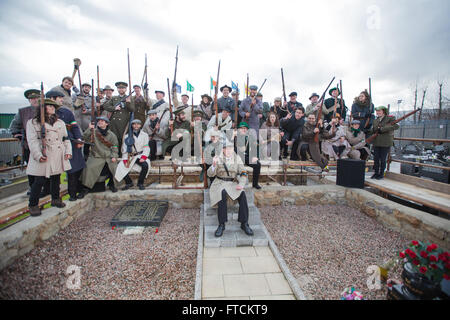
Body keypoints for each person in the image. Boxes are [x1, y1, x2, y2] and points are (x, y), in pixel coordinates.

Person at [26, 99, 72, 216]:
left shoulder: (60, 122)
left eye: (53, 106)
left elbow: (65, 139)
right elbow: (32, 141)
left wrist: (68, 151)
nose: (52, 108)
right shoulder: (33, 122)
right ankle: (33, 204)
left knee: (56, 177)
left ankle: (55, 199)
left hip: (57, 152)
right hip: (44, 153)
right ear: (42, 108)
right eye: (49, 106)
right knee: (39, 180)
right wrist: (38, 155)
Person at [46, 90, 86, 201]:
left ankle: (75, 192)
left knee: (75, 169)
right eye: (59, 98)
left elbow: (74, 126)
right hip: (54, 145)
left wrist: (78, 138)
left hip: (71, 142)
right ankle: (57, 197)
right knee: (56, 173)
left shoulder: (66, 112)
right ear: (52, 99)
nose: (62, 100)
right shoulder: (44, 113)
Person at [207, 141, 253, 238]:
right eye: (226, 148)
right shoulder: (218, 158)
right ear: (223, 149)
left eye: (230, 148)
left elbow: (243, 172)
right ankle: (221, 224)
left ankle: (244, 223)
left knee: (242, 194)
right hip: (219, 182)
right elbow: (210, 174)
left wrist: (241, 184)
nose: (228, 150)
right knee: (222, 193)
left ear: (233, 149)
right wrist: (214, 165)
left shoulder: (237, 158)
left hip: (232, 183)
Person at [9, 89, 41, 193]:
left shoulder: (45, 109)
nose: (34, 100)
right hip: (28, 145)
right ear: (29, 100)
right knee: (31, 167)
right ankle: (32, 187)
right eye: (32, 98)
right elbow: (14, 126)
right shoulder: (22, 112)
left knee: (43, 166)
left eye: (36, 98)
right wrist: (17, 134)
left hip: (43, 144)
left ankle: (44, 187)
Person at [79, 117, 119, 196]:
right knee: (89, 168)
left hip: (108, 156)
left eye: (102, 121)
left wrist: (114, 156)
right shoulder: (93, 132)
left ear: (107, 124)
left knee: (113, 167)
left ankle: (112, 184)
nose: (100, 122)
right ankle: (86, 188)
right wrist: (89, 129)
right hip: (96, 156)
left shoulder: (112, 135)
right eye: (99, 121)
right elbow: (84, 138)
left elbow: (115, 147)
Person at [115, 119, 150, 190]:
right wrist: (125, 160)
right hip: (130, 156)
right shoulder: (127, 136)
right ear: (132, 125)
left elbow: (146, 147)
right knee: (120, 167)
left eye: (138, 124)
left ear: (140, 125)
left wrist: (143, 157)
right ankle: (129, 182)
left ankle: (140, 183)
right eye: (134, 124)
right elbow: (125, 150)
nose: (136, 125)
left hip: (140, 155)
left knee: (145, 165)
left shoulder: (145, 135)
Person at [101, 82, 135, 152]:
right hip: (114, 123)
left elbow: (132, 109)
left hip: (124, 123)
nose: (121, 89)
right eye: (119, 88)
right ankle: (114, 154)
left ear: (125, 89)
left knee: (122, 139)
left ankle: (122, 155)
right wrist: (114, 108)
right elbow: (105, 106)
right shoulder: (114, 98)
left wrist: (128, 102)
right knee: (113, 139)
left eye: (123, 88)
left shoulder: (129, 98)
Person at [368, 106, 399, 180]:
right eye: (377, 111)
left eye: (379, 111)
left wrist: (383, 129)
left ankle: (381, 174)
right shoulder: (376, 120)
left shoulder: (390, 118)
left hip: (385, 142)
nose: (378, 112)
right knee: (376, 159)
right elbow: (374, 130)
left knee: (382, 159)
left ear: (383, 111)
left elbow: (396, 126)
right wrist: (368, 131)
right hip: (377, 142)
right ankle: (376, 173)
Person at [234, 122, 262, 189]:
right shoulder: (234, 136)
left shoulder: (249, 137)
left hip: (245, 157)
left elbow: (256, 146)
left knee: (257, 165)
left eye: (245, 128)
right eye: (242, 128)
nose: (244, 130)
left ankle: (255, 184)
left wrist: (256, 156)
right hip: (235, 158)